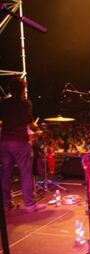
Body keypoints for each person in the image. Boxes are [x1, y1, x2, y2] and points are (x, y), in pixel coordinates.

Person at [0, 77, 46, 212]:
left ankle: (6, 203)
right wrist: (37, 129)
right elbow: (30, 123)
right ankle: (30, 205)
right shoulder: (25, 104)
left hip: (4, 142)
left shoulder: (3, 103)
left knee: (5, 174)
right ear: (22, 89)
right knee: (25, 173)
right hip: (19, 142)